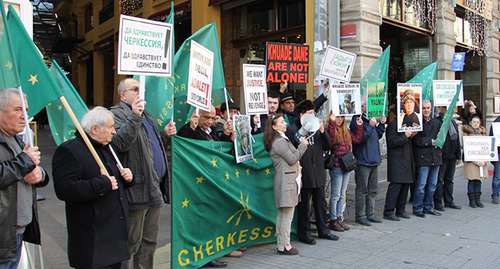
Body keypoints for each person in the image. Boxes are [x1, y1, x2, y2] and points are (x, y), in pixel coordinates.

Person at [52, 107, 134, 269]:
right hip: (93, 241)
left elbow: (114, 182)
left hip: (114, 239)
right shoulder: (70, 150)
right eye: (110, 127)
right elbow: (64, 189)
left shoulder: (107, 148)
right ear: (95, 129)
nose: (114, 132)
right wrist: (101, 184)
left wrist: (128, 178)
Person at [110, 78, 176, 269]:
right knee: (131, 243)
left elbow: (148, 148)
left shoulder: (146, 116)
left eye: (142, 89)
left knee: (149, 243)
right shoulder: (117, 114)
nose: (140, 92)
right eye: (135, 89)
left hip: (153, 187)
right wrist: (134, 116)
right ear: (123, 95)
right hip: (136, 191)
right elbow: (120, 143)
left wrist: (164, 135)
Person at [178, 104, 232, 267]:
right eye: (206, 117)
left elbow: (219, 151)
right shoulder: (190, 131)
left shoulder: (213, 132)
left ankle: (209, 254)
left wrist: (227, 136)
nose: (209, 121)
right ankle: (199, 256)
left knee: (210, 221)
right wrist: (191, 127)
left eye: (213, 118)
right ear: (197, 116)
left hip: (212, 182)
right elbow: (182, 138)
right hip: (196, 184)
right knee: (199, 223)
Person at [0, 88, 49, 268]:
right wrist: (24, 161)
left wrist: (40, 174)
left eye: (26, 110)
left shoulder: (17, 139)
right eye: (18, 109)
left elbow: (27, 169)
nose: (24, 116)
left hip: (17, 232)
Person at [285, 100, 338, 244]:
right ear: (301, 114)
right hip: (304, 172)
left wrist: (322, 130)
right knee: (304, 206)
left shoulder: (316, 128)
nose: (313, 116)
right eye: (309, 113)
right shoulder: (293, 129)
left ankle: (324, 230)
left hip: (318, 172)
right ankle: (305, 233)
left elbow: (328, 145)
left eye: (313, 113)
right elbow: (291, 150)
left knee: (320, 203)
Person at [262, 113, 308, 255]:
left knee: (283, 214)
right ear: (275, 127)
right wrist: (303, 146)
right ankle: (285, 245)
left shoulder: (280, 139)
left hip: (286, 180)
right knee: (286, 216)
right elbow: (292, 158)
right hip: (286, 182)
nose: (285, 123)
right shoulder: (279, 142)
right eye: (282, 122)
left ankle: (282, 245)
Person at [350, 101, 387, 226]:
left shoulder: (371, 119)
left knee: (373, 190)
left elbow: (377, 135)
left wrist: (381, 125)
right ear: (362, 107)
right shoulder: (357, 120)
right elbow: (359, 139)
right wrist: (371, 126)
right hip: (363, 161)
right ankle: (360, 215)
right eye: (368, 105)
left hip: (373, 160)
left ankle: (370, 214)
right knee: (362, 190)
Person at [327, 112, 363, 231]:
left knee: (342, 194)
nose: (339, 119)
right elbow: (331, 140)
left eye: (341, 117)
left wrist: (359, 126)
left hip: (346, 165)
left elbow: (357, 139)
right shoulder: (331, 129)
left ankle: (339, 218)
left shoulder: (346, 131)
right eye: (337, 117)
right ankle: (333, 220)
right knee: (335, 195)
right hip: (337, 166)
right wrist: (331, 123)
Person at [412, 100, 442, 218]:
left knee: (432, 185)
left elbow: (441, 138)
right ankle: (418, 208)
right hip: (423, 158)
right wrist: (431, 141)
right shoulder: (417, 123)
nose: (426, 110)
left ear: (431, 108)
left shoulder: (436, 122)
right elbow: (416, 141)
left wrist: (437, 140)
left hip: (436, 157)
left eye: (428, 108)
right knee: (421, 185)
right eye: (424, 108)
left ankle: (428, 207)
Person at [383, 120, 417, 221]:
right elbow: (392, 142)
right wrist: (405, 136)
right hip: (397, 160)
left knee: (405, 184)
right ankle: (389, 211)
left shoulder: (408, 124)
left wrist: (411, 136)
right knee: (396, 185)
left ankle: (400, 210)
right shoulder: (393, 125)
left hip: (406, 159)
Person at [434, 106, 462, 210]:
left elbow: (457, 140)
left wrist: (458, 155)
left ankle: (449, 201)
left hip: (452, 155)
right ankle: (438, 202)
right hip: (442, 155)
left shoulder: (453, 122)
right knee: (440, 180)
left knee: (449, 179)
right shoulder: (438, 122)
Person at [462, 116, 488, 208]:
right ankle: (472, 201)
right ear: (470, 123)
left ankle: (478, 199)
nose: (476, 124)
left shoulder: (483, 134)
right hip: (471, 162)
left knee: (479, 181)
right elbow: (466, 149)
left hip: (481, 162)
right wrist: (475, 161)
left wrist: (484, 160)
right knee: (472, 181)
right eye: (474, 122)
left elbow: (487, 148)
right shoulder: (467, 134)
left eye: (477, 122)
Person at [489, 114, 500, 204]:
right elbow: (491, 139)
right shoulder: (496, 123)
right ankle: (495, 195)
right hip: (498, 152)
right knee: (497, 176)